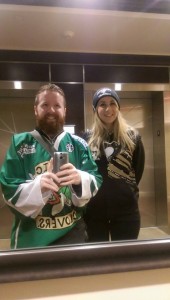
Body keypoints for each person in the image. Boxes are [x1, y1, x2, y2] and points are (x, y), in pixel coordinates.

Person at [0, 83, 102, 249]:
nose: (51, 110)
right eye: (45, 105)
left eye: (57, 106)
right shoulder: (19, 144)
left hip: (72, 236)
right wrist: (38, 186)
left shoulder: (79, 144)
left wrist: (79, 179)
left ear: (64, 111)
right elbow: (8, 189)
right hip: (31, 239)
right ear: (35, 109)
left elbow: (96, 179)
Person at [84, 87, 145, 242]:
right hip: (94, 212)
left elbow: (137, 170)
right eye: (102, 104)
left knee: (125, 261)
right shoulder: (87, 138)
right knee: (98, 260)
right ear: (95, 109)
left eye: (112, 103)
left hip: (126, 212)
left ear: (118, 108)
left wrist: (123, 189)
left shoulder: (133, 137)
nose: (108, 109)